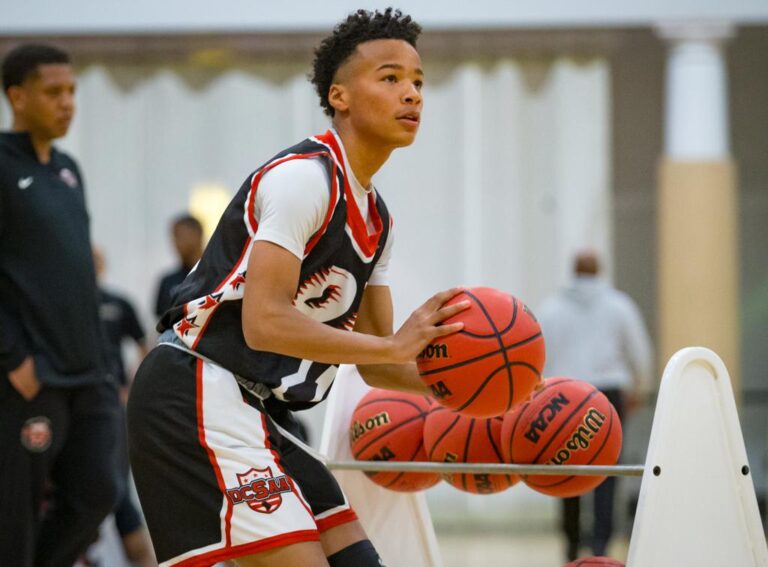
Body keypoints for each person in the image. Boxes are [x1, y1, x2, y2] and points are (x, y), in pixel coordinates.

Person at [127, 9, 468, 566]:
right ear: (340, 96)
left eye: (418, 82)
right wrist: (391, 346)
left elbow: (380, 363)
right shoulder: (303, 180)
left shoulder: (377, 218)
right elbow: (265, 323)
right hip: (193, 387)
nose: (411, 94)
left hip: (257, 407)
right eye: (390, 78)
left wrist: (471, 394)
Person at [0, 44, 120, 566]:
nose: (67, 102)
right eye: (53, 92)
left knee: (99, 493)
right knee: (13, 518)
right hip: (32, 375)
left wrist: (105, 367)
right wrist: (13, 359)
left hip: (87, 375)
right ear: (17, 97)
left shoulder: (69, 169)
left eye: (71, 91)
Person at [537, 250, 653, 561]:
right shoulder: (619, 305)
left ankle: (572, 544)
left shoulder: (550, 309)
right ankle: (601, 545)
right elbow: (639, 351)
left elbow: (536, 357)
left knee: (563, 470)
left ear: (572, 270)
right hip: (607, 395)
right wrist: (638, 390)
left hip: (562, 396)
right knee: (606, 472)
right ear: (600, 270)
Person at [92, 247, 156, 566]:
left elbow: (146, 345)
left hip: (111, 410)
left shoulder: (117, 304)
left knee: (116, 489)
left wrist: (131, 388)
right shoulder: (61, 307)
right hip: (74, 411)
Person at [154, 214, 204, 317]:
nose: (174, 242)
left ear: (197, 235)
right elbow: (161, 320)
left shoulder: (217, 275)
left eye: (178, 235)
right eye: (173, 237)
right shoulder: (167, 282)